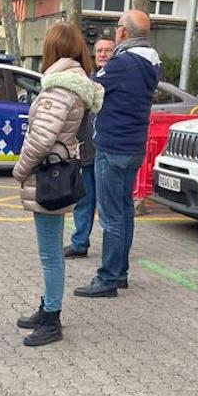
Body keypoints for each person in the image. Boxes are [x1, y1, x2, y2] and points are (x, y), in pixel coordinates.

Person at [12, 22, 103, 346]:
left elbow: (40, 138)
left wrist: (19, 170)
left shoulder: (60, 89)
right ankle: (47, 308)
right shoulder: (74, 85)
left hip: (49, 174)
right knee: (50, 251)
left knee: (50, 254)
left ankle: (52, 318)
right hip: (60, 172)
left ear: (53, 50)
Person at [74, 10, 160, 298]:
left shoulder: (123, 63)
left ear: (123, 31)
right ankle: (120, 272)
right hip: (133, 147)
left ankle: (108, 278)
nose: (116, 30)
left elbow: (91, 89)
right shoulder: (151, 61)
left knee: (111, 216)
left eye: (118, 26)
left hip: (112, 147)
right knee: (123, 212)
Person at [65, 36, 115, 259]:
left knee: (106, 205)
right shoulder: (88, 82)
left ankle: (111, 248)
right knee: (84, 200)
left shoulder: (116, 82)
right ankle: (79, 242)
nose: (103, 54)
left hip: (106, 153)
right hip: (85, 152)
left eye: (108, 50)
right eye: (99, 51)